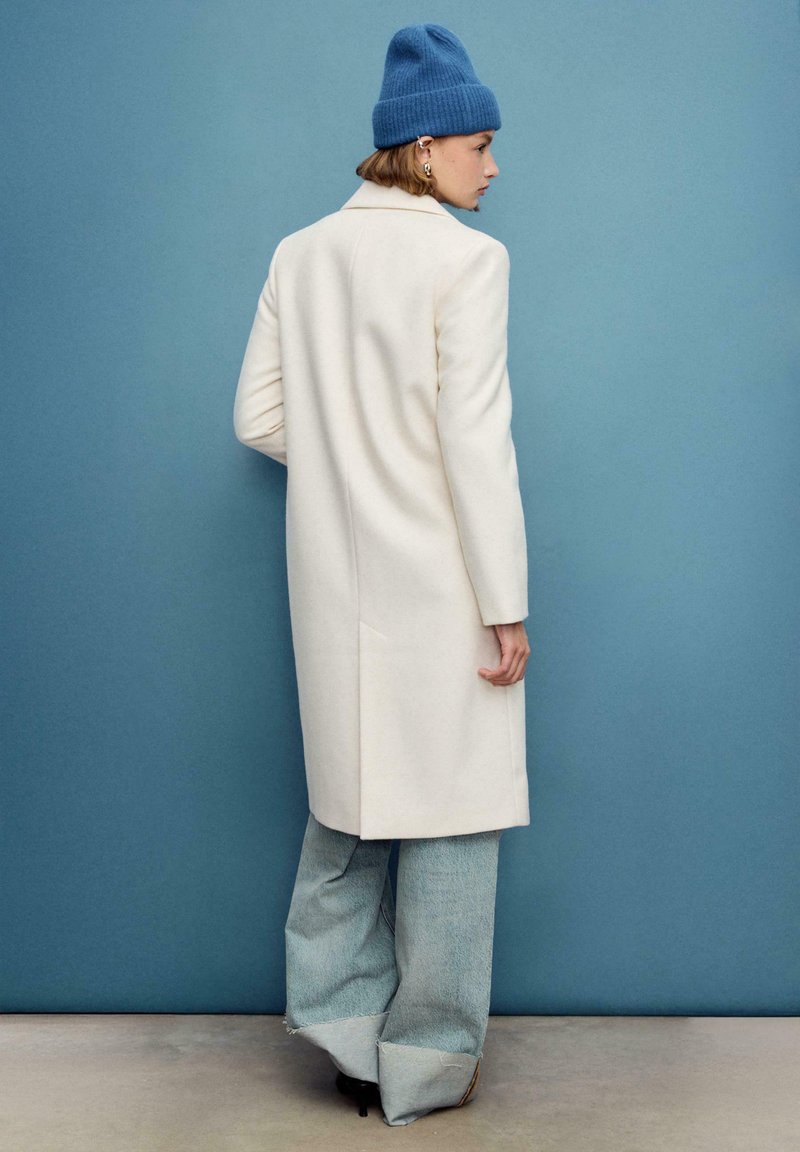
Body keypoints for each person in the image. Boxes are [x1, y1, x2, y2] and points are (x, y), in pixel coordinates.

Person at [233, 22, 531, 1127]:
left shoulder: (299, 253)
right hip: (443, 585)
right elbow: (475, 446)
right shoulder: (468, 262)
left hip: (333, 588)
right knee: (450, 823)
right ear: (425, 146)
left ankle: (344, 1039)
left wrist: (348, 469)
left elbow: (257, 417)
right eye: (479, 145)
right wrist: (504, 606)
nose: (492, 167)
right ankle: (427, 1063)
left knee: (347, 811)